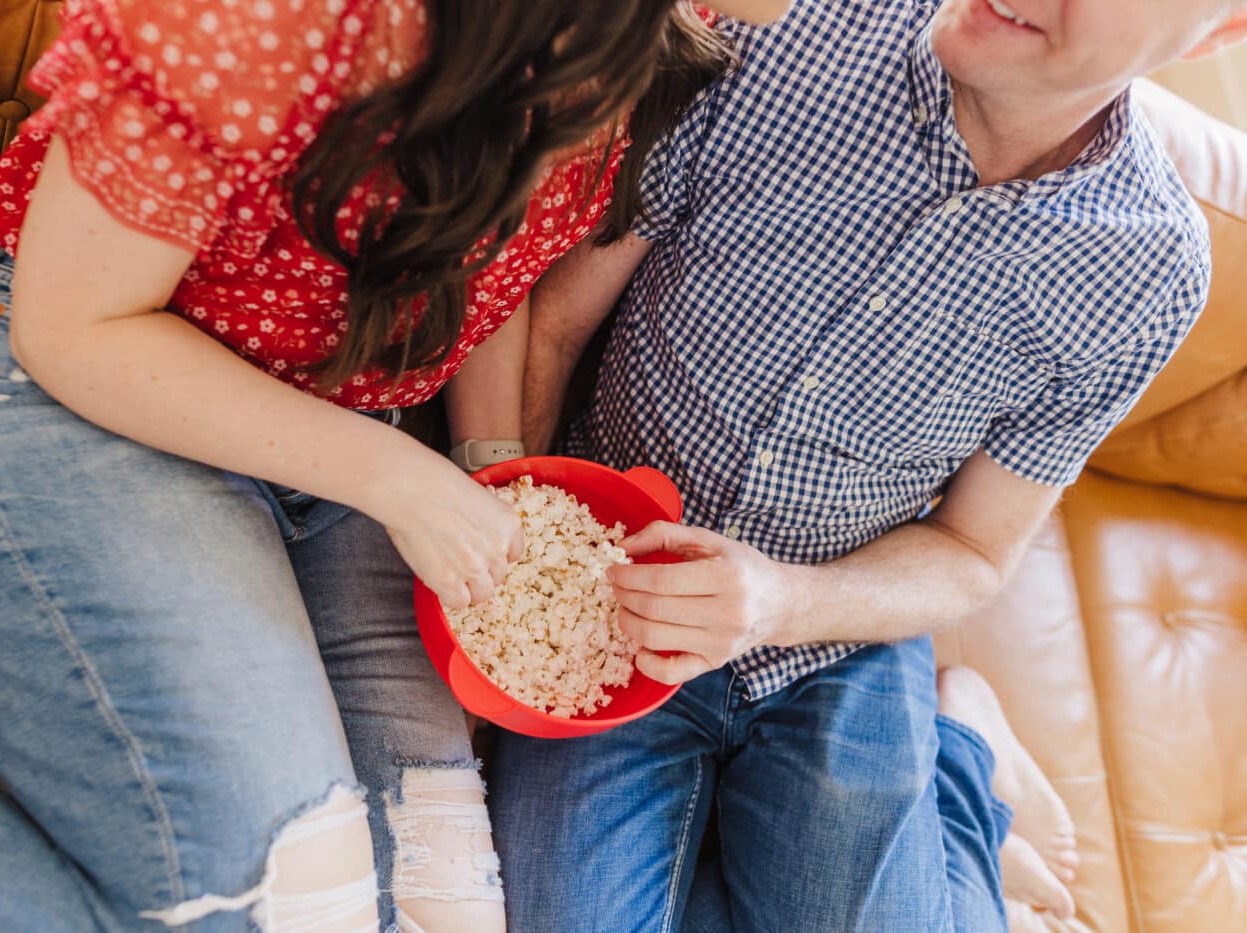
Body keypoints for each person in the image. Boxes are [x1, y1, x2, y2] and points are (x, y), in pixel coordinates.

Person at [0, 2, 791, 931]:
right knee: (288, 913)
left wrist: (494, 476)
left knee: (443, 911)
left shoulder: (657, 22)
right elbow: (74, 328)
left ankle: (70, 829)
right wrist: (399, 479)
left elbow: (489, 255)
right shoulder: (260, 21)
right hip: (92, 396)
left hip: (341, 456)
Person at [492, 0, 1247, 930]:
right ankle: (955, 770)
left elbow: (974, 548)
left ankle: (960, 747)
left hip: (834, 637)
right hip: (612, 582)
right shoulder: (779, 27)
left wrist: (778, 600)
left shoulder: (1149, 271)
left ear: (1217, 32)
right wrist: (535, 562)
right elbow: (556, 320)